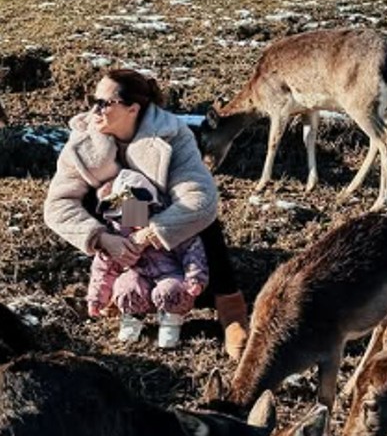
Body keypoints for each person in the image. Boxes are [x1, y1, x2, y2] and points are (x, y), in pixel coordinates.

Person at [44, 67, 249, 358]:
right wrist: (103, 239)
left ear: (133, 109)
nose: (94, 110)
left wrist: (151, 233)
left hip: (162, 216)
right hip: (120, 220)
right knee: (98, 198)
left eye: (104, 103)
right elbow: (58, 204)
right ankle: (123, 289)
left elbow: (200, 197)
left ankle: (230, 308)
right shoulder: (83, 140)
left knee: (205, 221)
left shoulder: (172, 135)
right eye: (93, 101)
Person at [88, 167, 209, 348]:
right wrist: (97, 298)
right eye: (125, 213)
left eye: (135, 210)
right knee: (127, 287)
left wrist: (195, 278)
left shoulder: (167, 226)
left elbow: (192, 251)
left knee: (171, 289)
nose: (131, 217)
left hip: (169, 273)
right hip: (138, 273)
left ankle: (171, 321)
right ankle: (131, 319)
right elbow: (104, 266)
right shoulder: (118, 233)